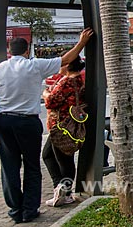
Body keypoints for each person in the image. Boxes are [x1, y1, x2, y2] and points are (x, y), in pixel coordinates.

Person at [0, 28, 93, 223]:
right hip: (28, 122)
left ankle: (15, 209)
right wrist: (81, 43)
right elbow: (65, 60)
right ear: (27, 50)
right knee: (31, 166)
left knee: (10, 167)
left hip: (4, 122)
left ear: (10, 51)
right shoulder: (35, 66)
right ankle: (29, 210)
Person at [42, 56, 86, 207]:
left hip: (61, 127)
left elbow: (50, 101)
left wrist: (46, 94)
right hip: (68, 125)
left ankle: (64, 192)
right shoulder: (78, 79)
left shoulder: (66, 81)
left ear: (67, 66)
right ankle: (60, 189)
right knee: (49, 155)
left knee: (63, 160)